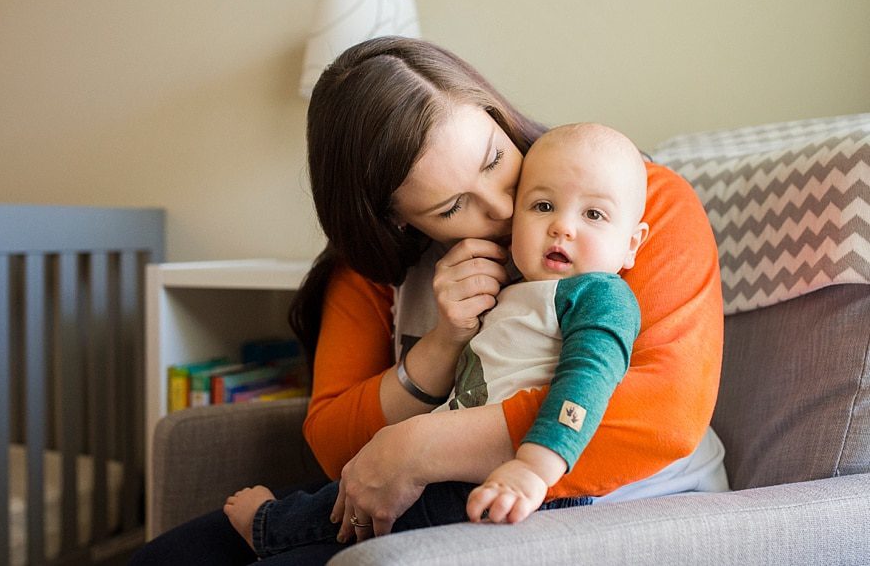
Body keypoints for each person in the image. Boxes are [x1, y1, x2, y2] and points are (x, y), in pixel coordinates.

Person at [130, 37, 727, 565]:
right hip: (439, 498)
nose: (499, 207)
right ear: (395, 224)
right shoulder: (377, 269)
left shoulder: (624, 207)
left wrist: (414, 447)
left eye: (494, 160)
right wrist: (442, 344)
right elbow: (334, 443)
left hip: (612, 501)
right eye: (450, 207)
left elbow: (661, 416)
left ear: (497, 115)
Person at [221, 122, 652, 557]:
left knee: (360, 510)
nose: (562, 227)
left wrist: (532, 470)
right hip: (462, 467)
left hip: (522, 483)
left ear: (632, 243)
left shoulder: (602, 295)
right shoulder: (513, 288)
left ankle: (272, 527)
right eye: (542, 206)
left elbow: (588, 384)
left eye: (593, 215)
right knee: (360, 491)